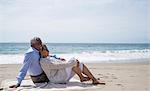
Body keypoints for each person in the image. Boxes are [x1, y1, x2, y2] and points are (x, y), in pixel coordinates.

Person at [39, 44, 105, 85]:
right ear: (41, 51)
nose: (47, 50)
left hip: (60, 74)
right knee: (73, 63)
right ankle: (82, 77)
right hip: (57, 79)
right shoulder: (43, 61)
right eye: (44, 49)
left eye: (46, 49)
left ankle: (93, 79)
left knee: (80, 63)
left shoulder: (48, 57)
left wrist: (61, 60)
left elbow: (58, 63)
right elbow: (56, 66)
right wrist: (71, 63)